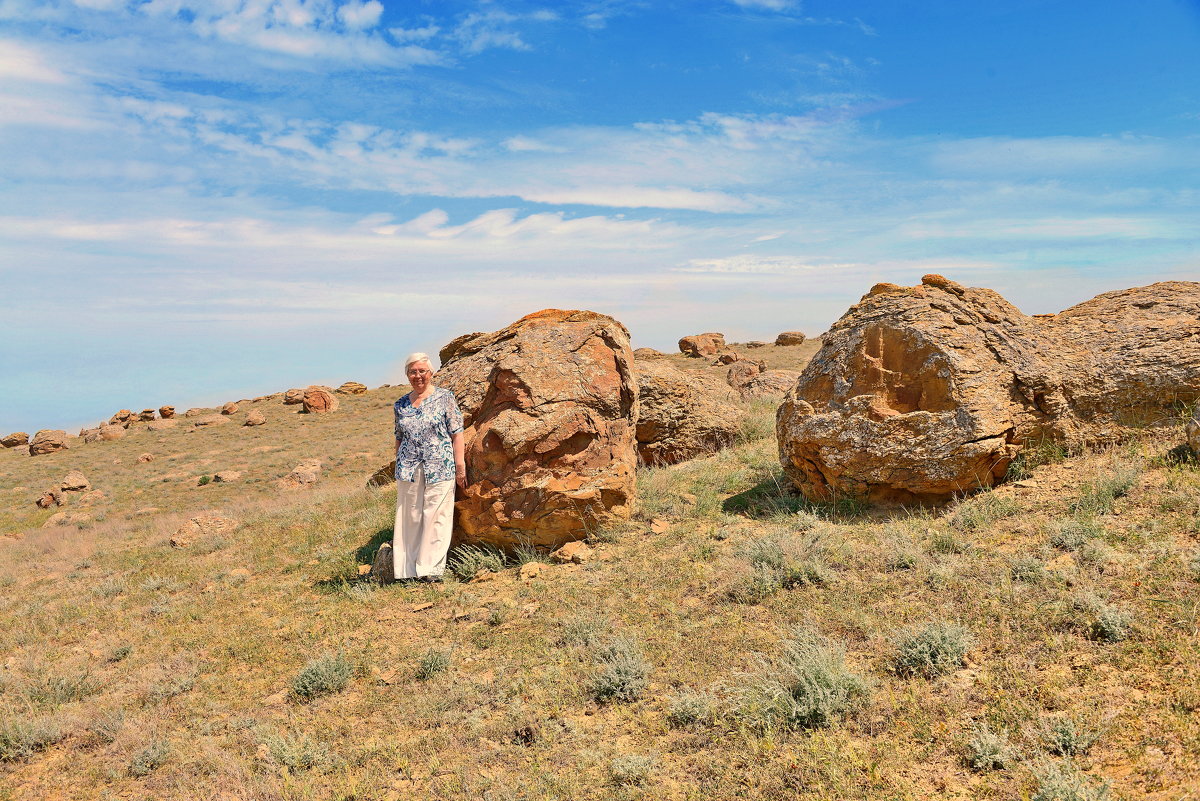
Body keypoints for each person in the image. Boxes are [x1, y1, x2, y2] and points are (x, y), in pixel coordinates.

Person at [392, 352, 466, 582]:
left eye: (422, 371)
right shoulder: (400, 404)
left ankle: (430, 570)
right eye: (413, 372)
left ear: (431, 373)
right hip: (409, 468)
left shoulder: (445, 398)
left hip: (441, 466)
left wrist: (460, 465)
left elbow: (457, 433)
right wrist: (400, 463)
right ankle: (407, 571)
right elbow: (399, 437)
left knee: (437, 516)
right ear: (407, 375)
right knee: (410, 517)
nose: (418, 376)